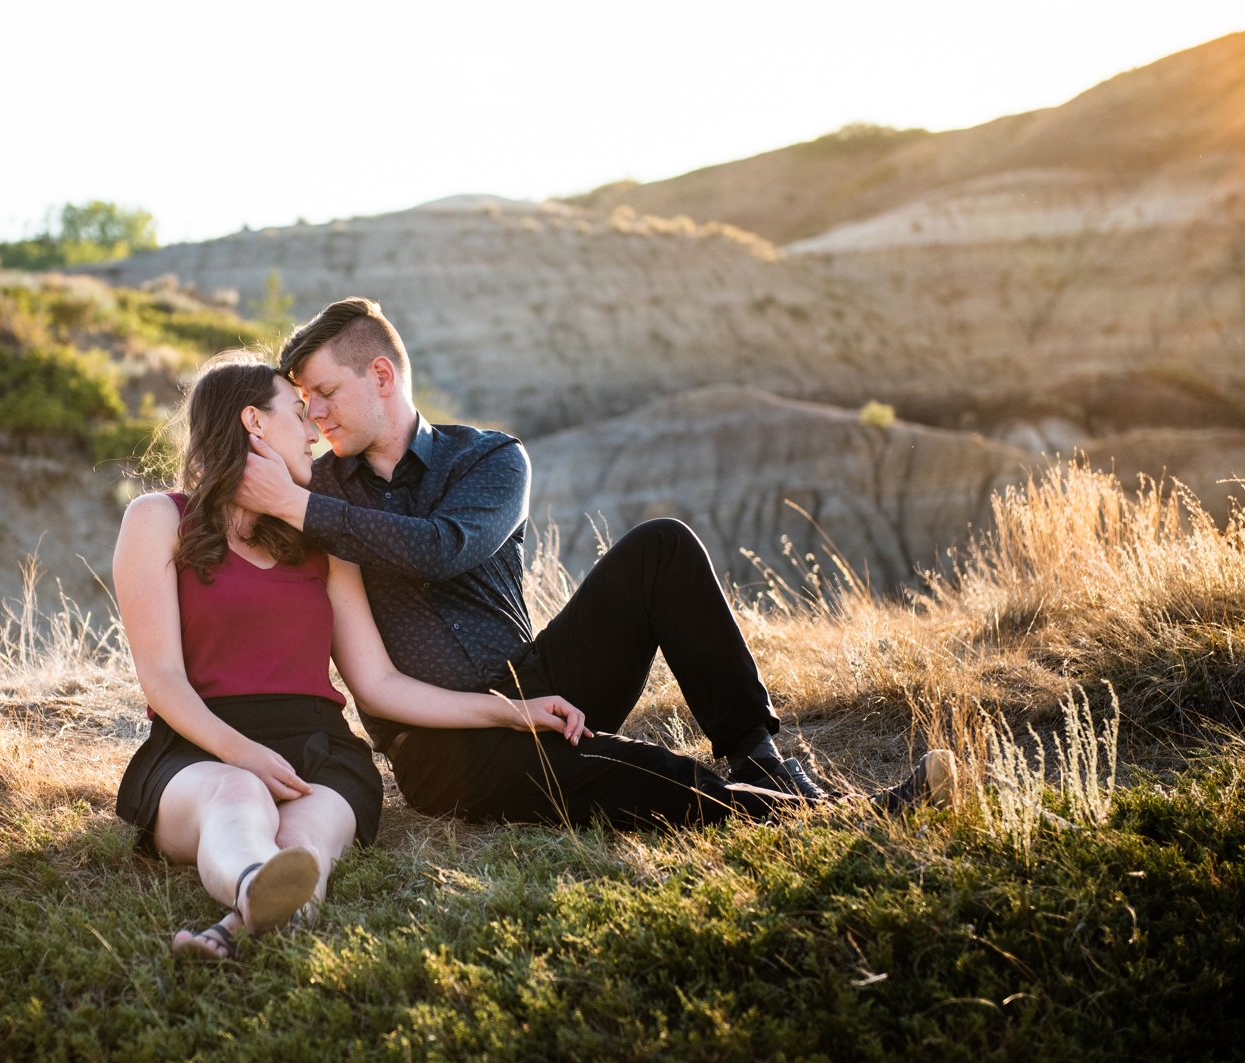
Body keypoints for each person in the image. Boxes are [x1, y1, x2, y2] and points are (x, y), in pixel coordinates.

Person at [234, 296, 955, 830]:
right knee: (640, 772)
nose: (317, 414)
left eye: (325, 392)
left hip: (539, 683)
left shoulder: (488, 457)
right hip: (443, 747)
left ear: (382, 376)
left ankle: (760, 756)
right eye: (306, 401)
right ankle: (825, 815)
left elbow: (444, 548)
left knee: (661, 546)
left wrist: (304, 510)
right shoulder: (319, 488)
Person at [112, 355, 601, 961]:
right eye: (297, 413)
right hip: (200, 749)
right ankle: (247, 889)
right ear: (253, 423)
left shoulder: (323, 542)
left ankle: (232, 931)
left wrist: (509, 711)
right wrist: (244, 754)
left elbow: (377, 683)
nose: (315, 430)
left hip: (321, 751)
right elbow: (161, 678)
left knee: (305, 841)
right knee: (237, 798)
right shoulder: (158, 518)